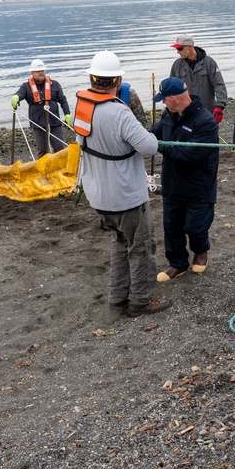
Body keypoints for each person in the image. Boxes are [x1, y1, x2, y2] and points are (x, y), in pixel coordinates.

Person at [72, 50, 170, 318]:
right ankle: (139, 302)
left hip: (99, 196)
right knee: (141, 248)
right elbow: (150, 146)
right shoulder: (119, 113)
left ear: (92, 78)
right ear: (116, 81)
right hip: (125, 196)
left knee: (119, 244)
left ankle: (117, 300)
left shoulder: (81, 107)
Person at [150, 77, 219, 281]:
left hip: (198, 185)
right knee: (171, 226)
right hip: (172, 183)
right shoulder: (168, 115)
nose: (162, 103)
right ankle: (177, 263)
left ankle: (200, 250)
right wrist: (142, 137)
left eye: (164, 99)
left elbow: (187, 155)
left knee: (195, 227)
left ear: (174, 98)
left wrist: (157, 145)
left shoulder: (205, 122)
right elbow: (155, 132)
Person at [10, 59, 71, 159]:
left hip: (54, 120)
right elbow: (20, 94)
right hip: (37, 122)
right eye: (38, 71)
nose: (41, 73)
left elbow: (63, 100)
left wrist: (67, 114)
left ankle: (61, 169)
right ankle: (43, 172)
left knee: (59, 147)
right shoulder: (26, 86)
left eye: (42, 70)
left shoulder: (54, 84)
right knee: (42, 150)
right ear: (32, 73)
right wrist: (16, 97)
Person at [169, 34, 228, 126]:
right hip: (185, 114)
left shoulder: (209, 63)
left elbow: (219, 84)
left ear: (190, 47)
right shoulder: (177, 65)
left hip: (207, 112)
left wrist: (220, 106)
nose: (177, 52)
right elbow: (171, 89)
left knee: (208, 139)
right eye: (176, 49)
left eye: (180, 49)